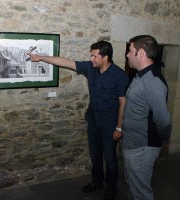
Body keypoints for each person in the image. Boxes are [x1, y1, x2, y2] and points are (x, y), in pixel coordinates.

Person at [27, 41, 129, 200]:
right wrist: (40, 57)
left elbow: (123, 102)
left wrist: (119, 128)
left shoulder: (119, 75)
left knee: (110, 159)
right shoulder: (90, 68)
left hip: (110, 125)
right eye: (91, 55)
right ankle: (97, 182)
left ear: (105, 57)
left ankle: (112, 188)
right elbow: (65, 62)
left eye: (95, 56)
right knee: (95, 156)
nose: (92, 58)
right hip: (93, 121)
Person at [122, 35, 172, 200]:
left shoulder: (153, 81)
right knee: (133, 187)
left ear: (141, 53)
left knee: (141, 193)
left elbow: (163, 120)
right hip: (132, 144)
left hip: (142, 147)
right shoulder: (140, 75)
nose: (127, 55)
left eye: (130, 51)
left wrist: (164, 139)